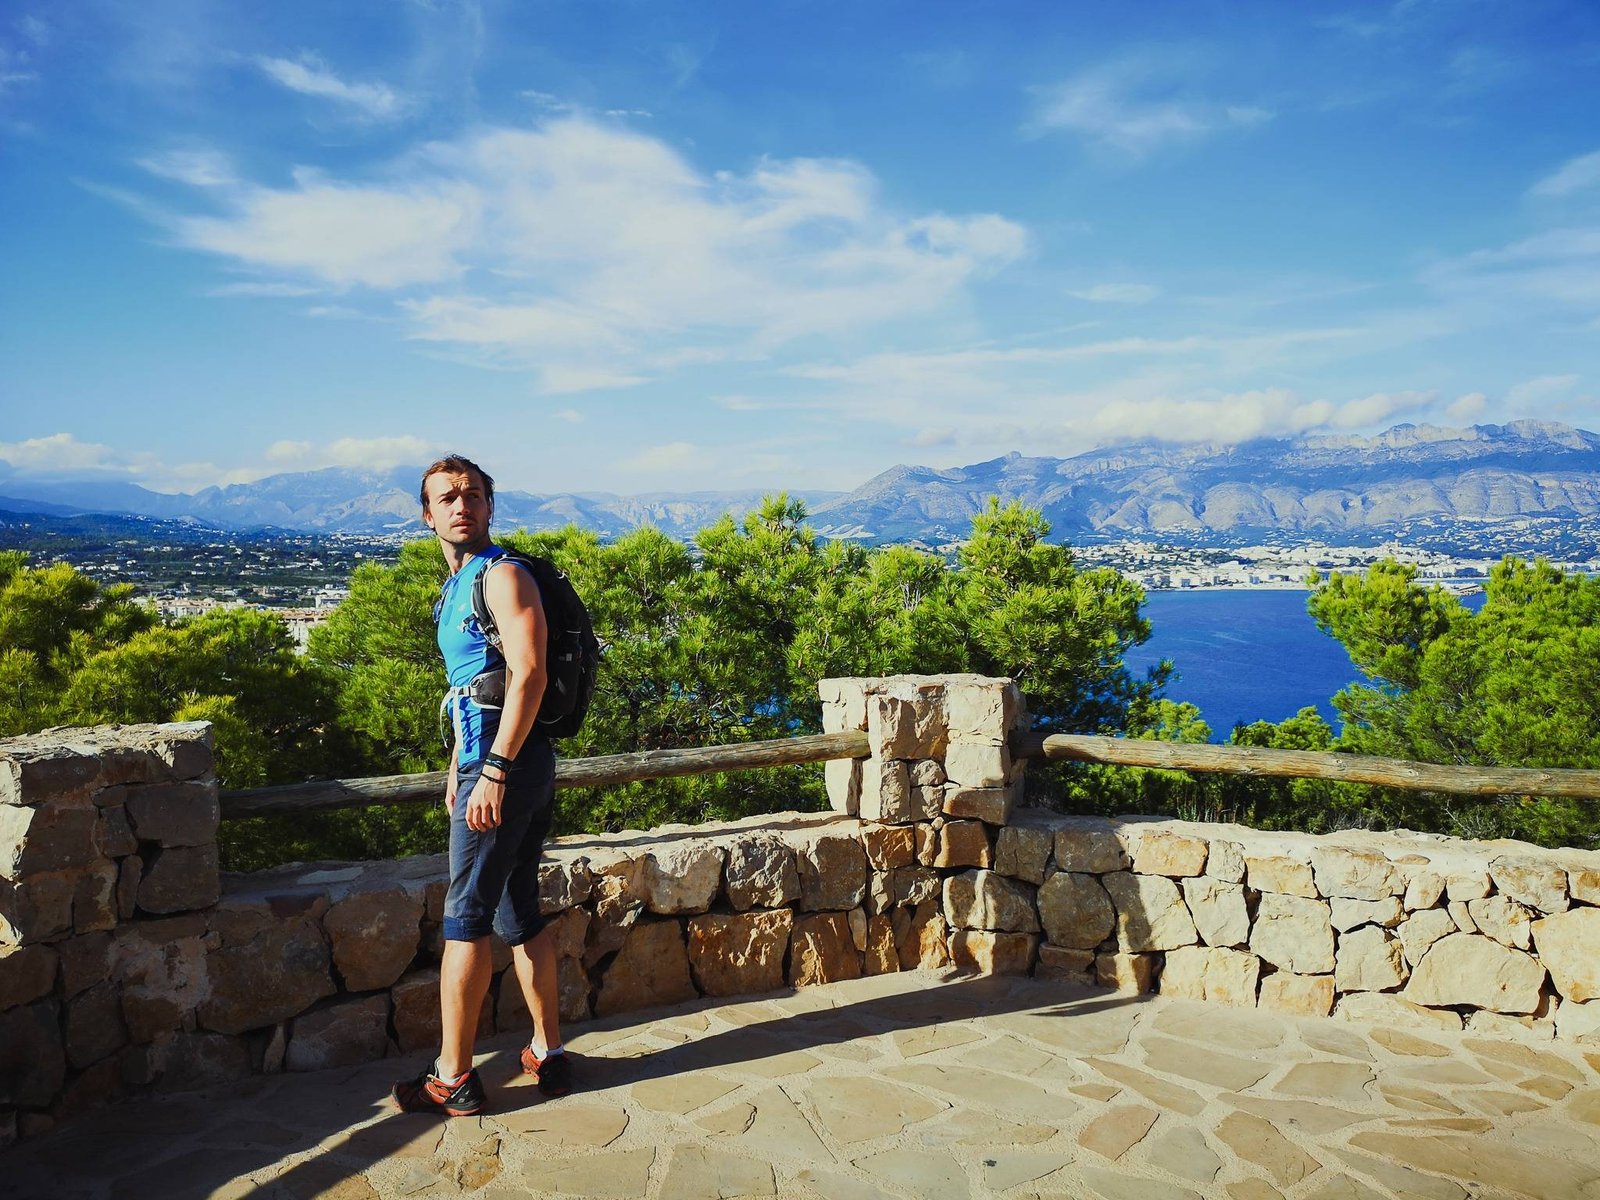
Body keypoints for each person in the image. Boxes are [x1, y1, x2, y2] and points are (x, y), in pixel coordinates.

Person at [392, 454, 571, 1117]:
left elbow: (529, 674)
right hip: (502, 759)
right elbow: (478, 685)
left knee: (465, 920)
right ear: (428, 514)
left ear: (490, 506)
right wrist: (458, 767)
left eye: (472, 495)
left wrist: (490, 770)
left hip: (507, 765)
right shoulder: (463, 582)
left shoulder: (502, 576)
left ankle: (453, 1076)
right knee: (517, 913)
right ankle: (548, 1053)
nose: (460, 505)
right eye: (447, 497)